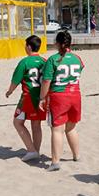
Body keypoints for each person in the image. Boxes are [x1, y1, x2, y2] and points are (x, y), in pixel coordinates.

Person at [39, 31, 84, 172]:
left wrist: (42, 98)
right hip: (75, 95)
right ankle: (77, 155)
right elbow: (80, 69)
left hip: (59, 96)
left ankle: (55, 162)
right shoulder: (77, 58)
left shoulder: (53, 59)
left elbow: (46, 81)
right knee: (71, 127)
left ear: (58, 43)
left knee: (57, 130)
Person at [5, 35, 47, 162]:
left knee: (17, 122)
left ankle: (31, 150)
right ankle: (36, 150)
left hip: (28, 97)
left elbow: (15, 80)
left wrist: (9, 91)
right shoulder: (44, 61)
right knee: (36, 125)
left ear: (29, 47)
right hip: (41, 98)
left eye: (25, 45)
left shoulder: (24, 62)